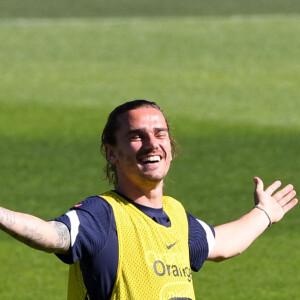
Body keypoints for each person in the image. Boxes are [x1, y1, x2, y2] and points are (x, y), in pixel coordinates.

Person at [0, 99, 298, 300]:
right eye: (136, 136)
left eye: (160, 133)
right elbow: (55, 235)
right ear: (111, 152)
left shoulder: (176, 215)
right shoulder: (102, 215)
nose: (152, 143)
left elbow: (221, 244)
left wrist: (264, 213)